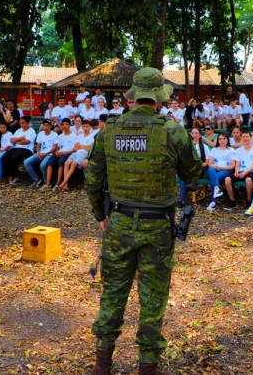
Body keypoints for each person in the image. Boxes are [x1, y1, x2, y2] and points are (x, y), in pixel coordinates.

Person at [85, 67, 201, 375]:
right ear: (160, 97)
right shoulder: (172, 131)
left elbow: (93, 179)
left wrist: (101, 216)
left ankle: (102, 363)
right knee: (152, 297)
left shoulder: (109, 129)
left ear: (134, 95)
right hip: (158, 227)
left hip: (119, 222)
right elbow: (193, 174)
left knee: (113, 293)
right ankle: (148, 366)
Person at [223, 130, 253, 210]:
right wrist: (236, 171)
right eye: (243, 137)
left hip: (251, 171)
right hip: (240, 171)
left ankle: (249, 200)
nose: (245, 138)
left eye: (247, 137)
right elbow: (237, 163)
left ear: (250, 138)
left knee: (248, 180)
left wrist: (245, 173)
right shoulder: (238, 150)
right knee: (227, 179)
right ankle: (232, 201)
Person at [58, 119, 95, 191]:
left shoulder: (92, 136)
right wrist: (84, 146)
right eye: (84, 127)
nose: (85, 128)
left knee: (74, 163)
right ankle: (66, 185)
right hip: (76, 152)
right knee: (66, 163)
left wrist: (81, 146)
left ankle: (63, 183)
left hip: (84, 153)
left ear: (90, 127)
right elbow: (75, 148)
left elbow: (90, 148)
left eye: (87, 126)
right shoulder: (80, 136)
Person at [23, 119, 58, 188]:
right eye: (44, 125)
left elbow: (55, 148)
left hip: (49, 154)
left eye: (47, 125)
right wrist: (38, 153)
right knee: (26, 162)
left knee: (42, 165)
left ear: (50, 126)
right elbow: (38, 145)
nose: (45, 127)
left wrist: (45, 154)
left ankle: (46, 181)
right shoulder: (40, 134)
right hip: (41, 153)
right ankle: (36, 179)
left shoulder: (54, 134)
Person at [178, 127, 208, 207]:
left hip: (200, 170)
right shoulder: (187, 147)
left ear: (200, 135)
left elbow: (207, 163)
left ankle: (192, 184)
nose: (194, 135)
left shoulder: (205, 147)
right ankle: (182, 200)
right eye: (192, 133)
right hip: (189, 170)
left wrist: (197, 165)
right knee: (182, 175)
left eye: (196, 133)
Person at [2, 116, 36, 186]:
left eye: (23, 123)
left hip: (27, 149)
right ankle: (14, 173)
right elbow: (12, 140)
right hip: (16, 147)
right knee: (4, 158)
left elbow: (26, 141)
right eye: (20, 123)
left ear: (27, 123)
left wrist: (17, 141)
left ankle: (12, 177)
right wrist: (21, 138)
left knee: (14, 158)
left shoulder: (31, 131)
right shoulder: (18, 130)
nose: (21, 125)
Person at [206, 132, 235, 211]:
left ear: (227, 139)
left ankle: (213, 202)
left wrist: (222, 167)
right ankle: (216, 190)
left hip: (226, 170)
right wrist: (215, 166)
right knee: (211, 170)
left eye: (224, 139)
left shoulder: (231, 150)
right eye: (220, 139)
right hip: (214, 170)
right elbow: (209, 163)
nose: (222, 141)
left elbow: (233, 166)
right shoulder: (214, 149)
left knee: (215, 178)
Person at [48, 118, 77, 189]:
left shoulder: (74, 136)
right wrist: (57, 152)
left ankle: (58, 183)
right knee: (50, 162)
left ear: (70, 125)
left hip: (68, 154)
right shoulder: (60, 136)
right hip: (59, 153)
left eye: (67, 124)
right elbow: (57, 147)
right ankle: (47, 184)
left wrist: (64, 153)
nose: (65, 126)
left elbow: (73, 150)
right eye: (63, 124)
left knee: (61, 162)